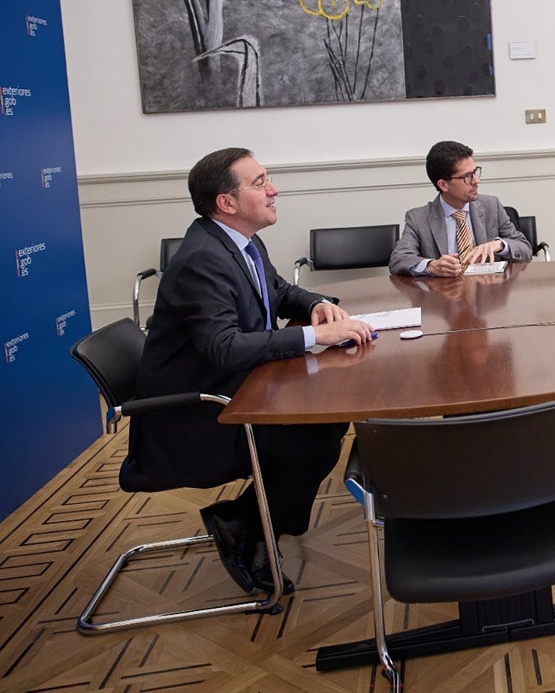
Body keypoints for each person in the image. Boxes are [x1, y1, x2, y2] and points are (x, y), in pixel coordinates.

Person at [136, 148, 376, 595]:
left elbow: (279, 291)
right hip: (197, 415)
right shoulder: (202, 259)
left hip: (239, 388)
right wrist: (315, 337)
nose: (274, 189)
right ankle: (248, 525)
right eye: (260, 181)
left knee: (323, 424)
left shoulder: (239, 241)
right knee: (313, 438)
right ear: (227, 203)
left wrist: (316, 305)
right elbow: (223, 348)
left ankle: (249, 520)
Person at [389, 140, 533, 276]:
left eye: (475, 172)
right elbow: (398, 259)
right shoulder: (418, 218)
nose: (476, 181)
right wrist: (431, 266)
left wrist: (500, 245)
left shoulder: (491, 206)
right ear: (443, 185)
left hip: (488, 294)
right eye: (467, 177)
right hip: (444, 297)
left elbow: (525, 249)